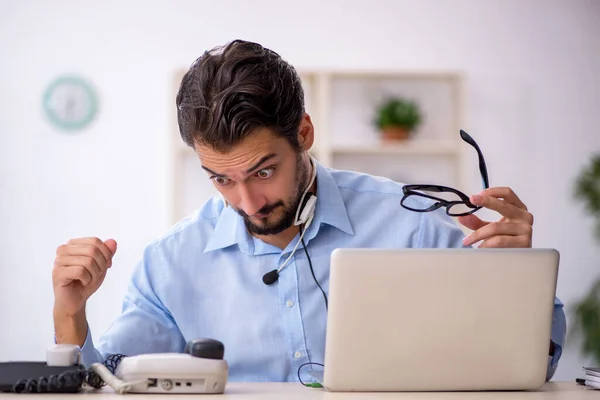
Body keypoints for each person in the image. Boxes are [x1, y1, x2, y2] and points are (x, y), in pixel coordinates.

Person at [52, 39, 566, 383]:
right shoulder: (169, 263)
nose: (247, 203)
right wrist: (70, 313)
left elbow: (528, 365)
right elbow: (105, 385)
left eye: (262, 171)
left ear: (304, 134)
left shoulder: (413, 222)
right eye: (221, 179)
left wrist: (514, 277)